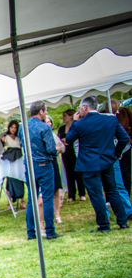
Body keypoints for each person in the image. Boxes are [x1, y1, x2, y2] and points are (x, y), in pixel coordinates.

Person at [63, 96, 130, 232]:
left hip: (89, 164)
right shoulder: (110, 118)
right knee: (112, 191)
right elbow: (124, 138)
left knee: (96, 194)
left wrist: (74, 122)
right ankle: (122, 221)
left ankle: (104, 224)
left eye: (80, 108)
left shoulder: (80, 123)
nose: (79, 112)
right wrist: (115, 154)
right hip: (108, 161)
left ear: (85, 107)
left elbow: (69, 140)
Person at [17, 101, 60, 240]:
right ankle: (50, 231)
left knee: (31, 199)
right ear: (41, 111)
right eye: (45, 110)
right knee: (47, 198)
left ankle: (31, 232)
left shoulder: (22, 127)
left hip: (30, 166)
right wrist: (57, 150)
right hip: (43, 165)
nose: (46, 113)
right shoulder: (44, 127)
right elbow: (51, 149)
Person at [57, 109, 85, 202]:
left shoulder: (76, 126)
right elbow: (58, 139)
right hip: (65, 152)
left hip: (75, 151)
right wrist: (63, 141)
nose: (63, 117)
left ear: (71, 116)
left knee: (78, 173)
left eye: (65, 115)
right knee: (69, 173)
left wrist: (69, 140)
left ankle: (82, 193)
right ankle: (71, 195)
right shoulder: (61, 129)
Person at [0, 120, 26, 209]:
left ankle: (22, 200)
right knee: (9, 180)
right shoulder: (5, 137)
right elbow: (3, 149)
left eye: (15, 128)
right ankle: (9, 202)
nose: (13, 129)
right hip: (10, 161)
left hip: (18, 160)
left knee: (20, 179)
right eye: (12, 127)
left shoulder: (19, 137)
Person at [45, 115, 66, 224]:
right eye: (46, 122)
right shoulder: (40, 135)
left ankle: (57, 215)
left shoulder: (53, 135)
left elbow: (62, 148)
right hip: (44, 164)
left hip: (53, 162)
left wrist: (57, 149)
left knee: (56, 190)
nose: (49, 124)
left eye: (50, 122)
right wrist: (55, 149)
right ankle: (46, 216)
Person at [112, 99, 132, 196]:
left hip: (125, 146)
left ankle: (126, 193)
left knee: (125, 171)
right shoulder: (103, 115)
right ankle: (112, 196)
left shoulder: (125, 112)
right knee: (112, 173)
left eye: (114, 110)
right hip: (111, 147)